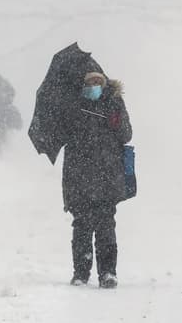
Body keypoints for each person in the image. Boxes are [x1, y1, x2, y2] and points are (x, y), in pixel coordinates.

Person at [62, 71, 132, 289]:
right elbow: (64, 134)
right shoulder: (74, 106)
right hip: (79, 177)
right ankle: (81, 274)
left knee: (105, 227)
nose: (93, 85)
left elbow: (126, 134)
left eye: (97, 82)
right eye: (89, 82)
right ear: (83, 85)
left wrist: (115, 118)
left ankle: (108, 273)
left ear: (104, 84)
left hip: (107, 177)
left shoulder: (114, 104)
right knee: (81, 227)